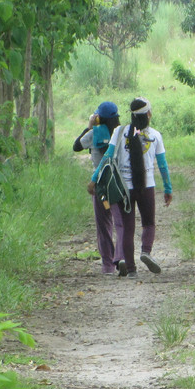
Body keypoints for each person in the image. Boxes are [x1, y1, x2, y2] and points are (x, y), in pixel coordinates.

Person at [87, 97, 172, 277]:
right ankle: (145, 251)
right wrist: (168, 189)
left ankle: (131, 270)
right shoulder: (155, 135)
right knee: (148, 223)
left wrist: (94, 179)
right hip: (147, 186)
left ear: (131, 115)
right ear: (148, 114)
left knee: (127, 228)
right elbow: (163, 166)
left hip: (124, 189)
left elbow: (107, 157)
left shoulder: (119, 131)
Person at [74, 101, 124, 275]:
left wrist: (89, 126)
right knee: (121, 223)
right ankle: (122, 257)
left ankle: (108, 265)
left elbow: (76, 146)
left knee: (104, 225)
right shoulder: (122, 133)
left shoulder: (93, 134)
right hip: (119, 184)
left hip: (100, 187)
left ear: (98, 118)